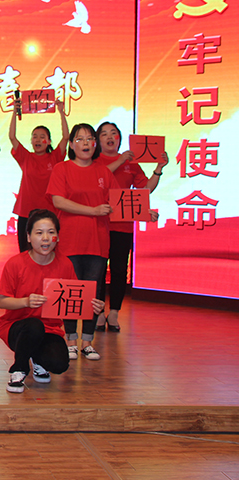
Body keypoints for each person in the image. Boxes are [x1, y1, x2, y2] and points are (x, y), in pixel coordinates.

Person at [0, 209, 105, 393]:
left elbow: (74, 300)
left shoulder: (65, 264)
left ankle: (37, 360)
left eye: (51, 232)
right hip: (17, 327)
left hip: (50, 329)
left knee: (59, 364)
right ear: (29, 237)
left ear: (58, 237)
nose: (46, 238)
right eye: (39, 233)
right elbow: (2, 301)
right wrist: (26, 302)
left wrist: (93, 306)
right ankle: (19, 369)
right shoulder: (15, 263)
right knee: (33, 326)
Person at [46, 123, 119, 361]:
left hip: (97, 240)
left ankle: (87, 341)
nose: (86, 143)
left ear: (95, 144)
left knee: (94, 290)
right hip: (70, 239)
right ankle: (70, 341)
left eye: (90, 139)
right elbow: (58, 201)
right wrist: (93, 210)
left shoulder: (103, 172)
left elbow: (118, 202)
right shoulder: (62, 168)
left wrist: (145, 212)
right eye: (80, 139)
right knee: (70, 290)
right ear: (71, 144)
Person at [96, 122, 168, 331]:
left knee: (119, 270)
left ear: (119, 138)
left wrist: (158, 169)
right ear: (98, 140)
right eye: (104, 134)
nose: (110, 137)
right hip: (99, 223)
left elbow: (145, 189)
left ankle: (114, 313)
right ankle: (98, 312)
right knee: (98, 270)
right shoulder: (94, 160)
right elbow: (97, 179)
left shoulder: (131, 163)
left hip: (123, 224)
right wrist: (119, 161)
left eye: (114, 133)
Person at [8, 100, 69, 252]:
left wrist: (61, 112)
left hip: (49, 213)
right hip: (26, 212)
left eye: (42, 136)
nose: (37, 139)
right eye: (34, 136)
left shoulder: (55, 157)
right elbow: (12, 137)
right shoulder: (26, 157)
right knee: (25, 252)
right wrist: (15, 112)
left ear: (48, 141)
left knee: (50, 252)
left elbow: (66, 137)